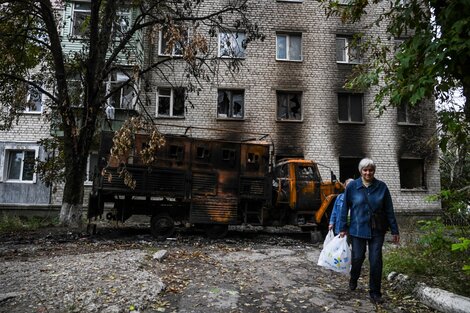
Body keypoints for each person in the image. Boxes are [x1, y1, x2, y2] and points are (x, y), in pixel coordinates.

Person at [339, 158, 400, 304]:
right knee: (357, 258)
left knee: (376, 261)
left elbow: (389, 210)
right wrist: (342, 228)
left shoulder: (382, 187)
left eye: (371, 170)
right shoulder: (352, 187)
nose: (368, 173)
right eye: (365, 170)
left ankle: (375, 292)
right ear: (361, 171)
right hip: (357, 229)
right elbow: (344, 208)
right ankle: (354, 278)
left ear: (374, 171)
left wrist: (394, 230)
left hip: (377, 230)